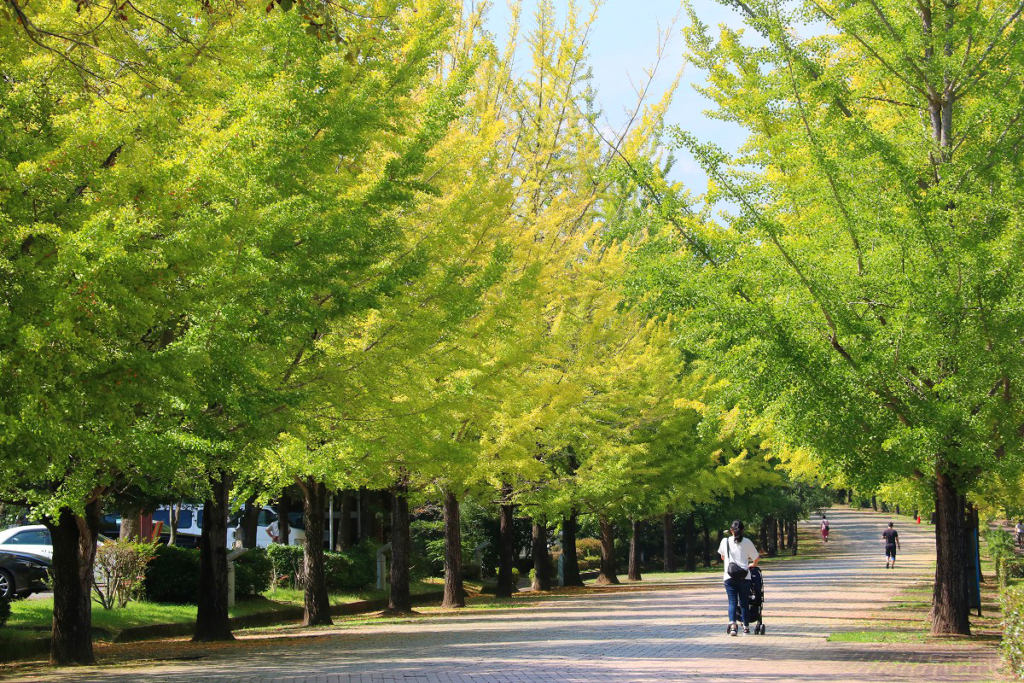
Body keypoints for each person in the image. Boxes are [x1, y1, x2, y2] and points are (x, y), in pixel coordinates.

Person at [718, 520, 760, 636]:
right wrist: (752, 565)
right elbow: (756, 558)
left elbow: (722, 557)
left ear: (731, 530)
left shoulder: (725, 541)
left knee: (732, 601)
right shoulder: (747, 542)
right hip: (744, 577)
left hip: (729, 576)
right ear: (742, 530)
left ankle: (733, 626)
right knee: (744, 603)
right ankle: (746, 628)